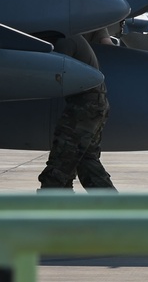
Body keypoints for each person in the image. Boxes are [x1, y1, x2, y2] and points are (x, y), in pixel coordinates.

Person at [37, 30, 116, 191]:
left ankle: (50, 207)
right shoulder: (71, 38)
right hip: (95, 104)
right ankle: (113, 210)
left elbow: (54, 74)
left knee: (60, 162)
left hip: (84, 107)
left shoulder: (66, 40)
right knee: (86, 162)